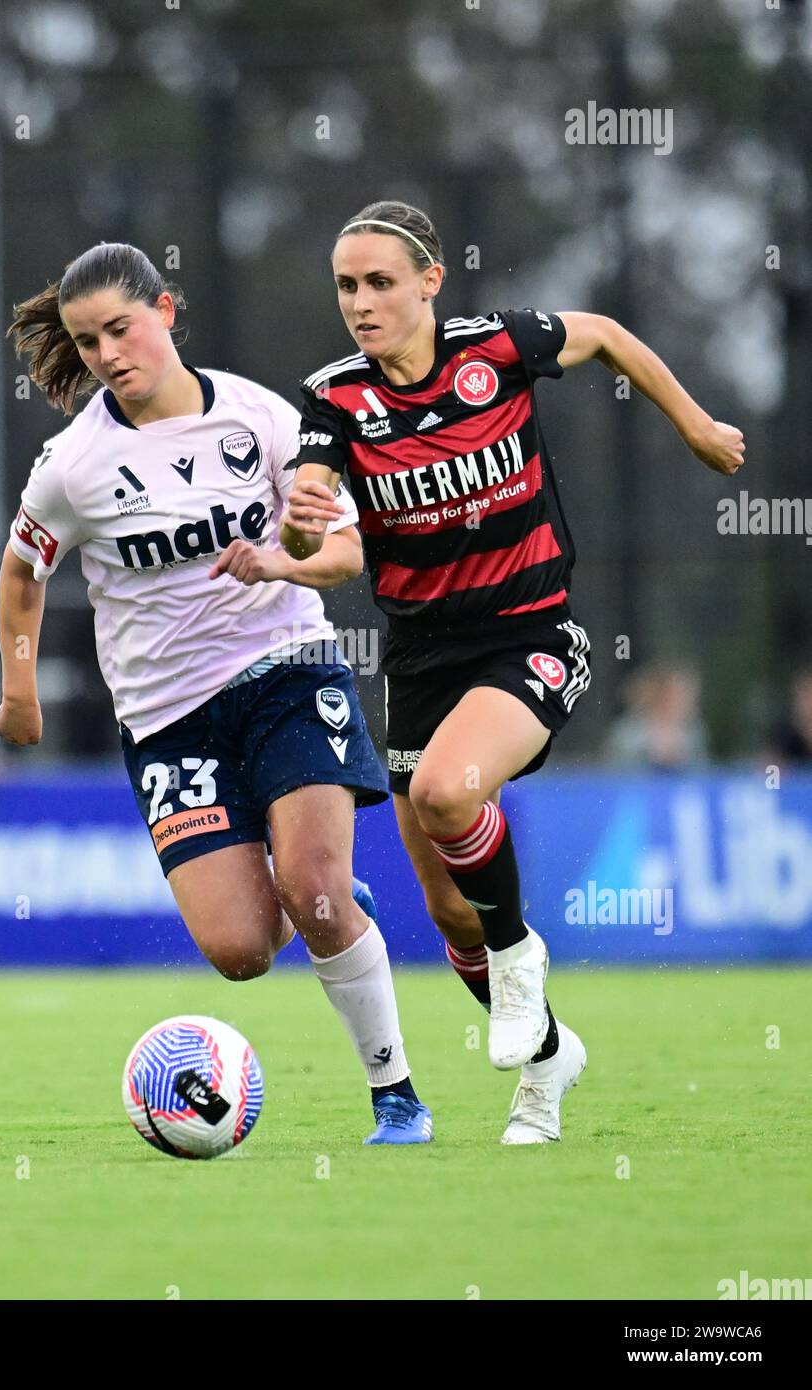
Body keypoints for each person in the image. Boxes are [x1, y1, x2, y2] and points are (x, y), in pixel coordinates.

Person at [278, 200, 745, 1144]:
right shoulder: (334, 396)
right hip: (417, 660)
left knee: (451, 795)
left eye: (379, 282)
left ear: (429, 283)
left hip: (527, 635)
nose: (361, 303)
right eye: (345, 286)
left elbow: (606, 334)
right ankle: (546, 1068)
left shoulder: (497, 347)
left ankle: (519, 954)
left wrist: (694, 423)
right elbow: (313, 523)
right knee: (450, 915)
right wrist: (297, 519)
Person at [0, 242, 434, 1145]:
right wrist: (18, 690)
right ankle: (323, 889)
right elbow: (21, 571)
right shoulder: (74, 466)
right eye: (86, 343)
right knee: (239, 952)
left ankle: (395, 1096)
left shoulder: (261, 417)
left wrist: (283, 559)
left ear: (164, 310)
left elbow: (349, 549)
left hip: (286, 670)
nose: (108, 354)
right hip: (166, 717)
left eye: (120, 328)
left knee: (313, 898)